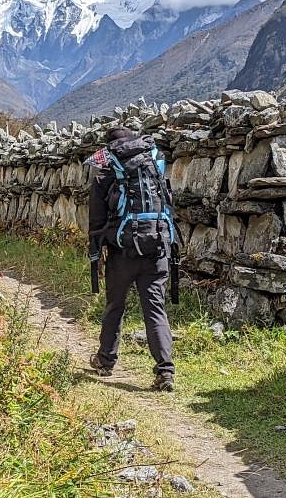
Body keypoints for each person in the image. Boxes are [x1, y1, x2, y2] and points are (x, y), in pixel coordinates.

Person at [87, 127, 176, 392]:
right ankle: (165, 370)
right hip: (158, 247)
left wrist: (97, 253)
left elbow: (96, 222)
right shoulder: (153, 166)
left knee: (115, 305)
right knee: (155, 309)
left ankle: (105, 360)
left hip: (122, 252)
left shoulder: (106, 175)